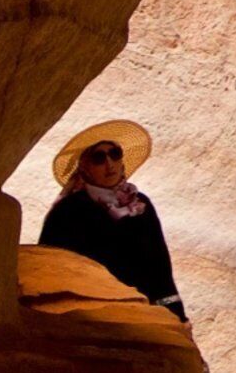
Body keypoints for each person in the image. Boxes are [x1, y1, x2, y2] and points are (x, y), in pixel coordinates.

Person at [37, 120, 183, 321]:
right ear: (85, 168)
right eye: (99, 158)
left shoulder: (140, 204)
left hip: (145, 312)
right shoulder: (68, 211)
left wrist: (178, 316)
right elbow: (51, 267)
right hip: (91, 315)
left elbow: (160, 267)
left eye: (114, 154)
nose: (109, 163)